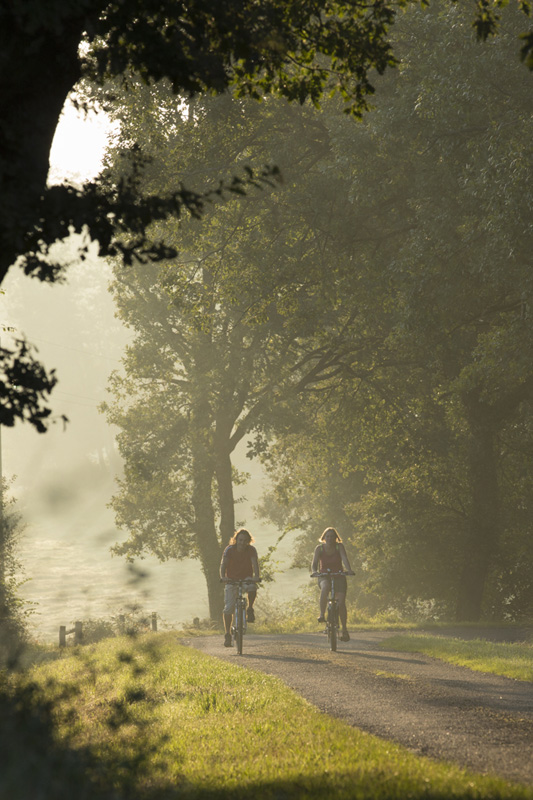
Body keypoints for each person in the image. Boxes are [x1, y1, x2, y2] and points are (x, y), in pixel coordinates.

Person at [310, 527, 354, 642]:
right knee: (325, 587)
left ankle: (344, 629)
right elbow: (314, 563)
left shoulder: (339, 547)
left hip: (338, 575)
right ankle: (322, 614)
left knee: (341, 603)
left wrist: (349, 570)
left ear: (336, 538)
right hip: (324, 575)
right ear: (324, 538)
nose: (330, 539)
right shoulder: (319, 548)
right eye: (328, 536)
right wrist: (314, 572)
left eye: (332, 537)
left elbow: (344, 558)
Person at [220, 528, 260, 647]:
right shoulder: (229, 550)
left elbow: (255, 564)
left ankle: (250, 608)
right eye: (240, 540)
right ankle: (228, 634)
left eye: (245, 541)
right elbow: (223, 565)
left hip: (246, 579)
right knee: (228, 608)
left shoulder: (251, 550)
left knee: (252, 587)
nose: (242, 543)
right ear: (236, 539)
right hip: (231, 580)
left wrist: (256, 577)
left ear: (248, 541)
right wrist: (223, 577)